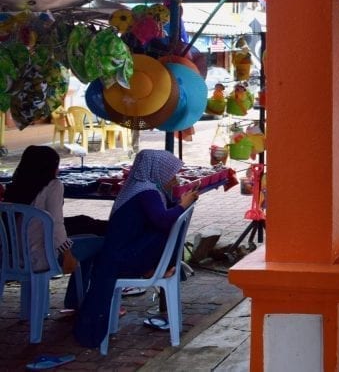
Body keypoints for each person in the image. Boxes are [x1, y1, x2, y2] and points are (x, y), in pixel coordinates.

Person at [74, 149, 198, 348]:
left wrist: (178, 202)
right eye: (170, 172)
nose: (173, 177)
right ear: (158, 170)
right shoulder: (146, 191)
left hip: (119, 254)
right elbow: (162, 220)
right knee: (166, 229)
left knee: (169, 226)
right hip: (121, 258)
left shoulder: (143, 187)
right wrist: (183, 205)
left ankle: (154, 267)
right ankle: (154, 268)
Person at [3, 145, 106, 308]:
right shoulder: (53, 186)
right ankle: (86, 303)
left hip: (15, 257)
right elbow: (56, 225)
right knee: (101, 244)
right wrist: (67, 255)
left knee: (89, 236)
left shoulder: (15, 187)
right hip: (43, 256)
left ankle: (76, 302)